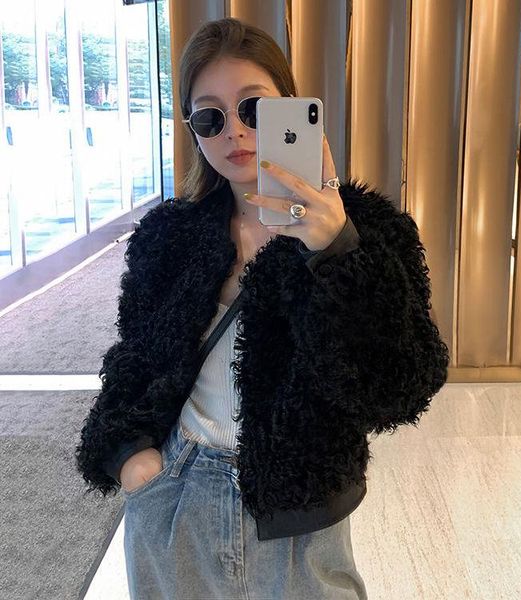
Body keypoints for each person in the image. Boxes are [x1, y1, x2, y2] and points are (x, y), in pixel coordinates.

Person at [75, 17, 449, 600]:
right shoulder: (168, 236)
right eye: (210, 117)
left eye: (253, 108)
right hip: (175, 493)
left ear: (290, 109)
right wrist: (130, 455)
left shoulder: (369, 231)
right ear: (193, 130)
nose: (235, 131)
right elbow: (136, 358)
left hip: (297, 503)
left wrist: (335, 251)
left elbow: (399, 386)